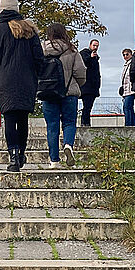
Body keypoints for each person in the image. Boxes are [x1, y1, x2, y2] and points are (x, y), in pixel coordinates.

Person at [0, 0, 43, 172]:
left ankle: (13, 156)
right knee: (23, 118)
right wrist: (34, 75)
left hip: (5, 80)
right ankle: (22, 152)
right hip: (26, 80)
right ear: (17, 9)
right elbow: (39, 58)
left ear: (1, 10)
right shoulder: (30, 30)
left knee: (9, 118)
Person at [41, 23, 87, 168]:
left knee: (52, 126)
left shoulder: (41, 49)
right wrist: (75, 84)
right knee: (69, 122)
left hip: (48, 92)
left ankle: (54, 160)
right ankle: (68, 144)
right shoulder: (72, 50)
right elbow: (80, 72)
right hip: (69, 92)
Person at [79, 39, 101, 126]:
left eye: (97, 46)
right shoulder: (85, 54)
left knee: (88, 106)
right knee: (87, 106)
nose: (95, 48)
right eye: (94, 45)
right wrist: (90, 57)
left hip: (92, 86)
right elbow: (83, 64)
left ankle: (86, 122)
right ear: (90, 45)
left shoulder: (95, 58)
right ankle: (85, 123)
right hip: (86, 86)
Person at [119, 48, 135, 126]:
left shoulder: (132, 64)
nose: (125, 56)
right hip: (126, 90)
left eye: (127, 54)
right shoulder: (126, 65)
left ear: (131, 54)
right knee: (130, 108)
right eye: (124, 55)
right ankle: (132, 124)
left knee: (126, 107)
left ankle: (128, 124)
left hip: (130, 90)